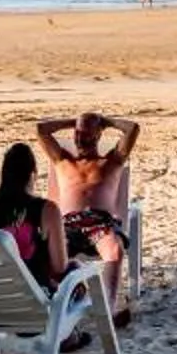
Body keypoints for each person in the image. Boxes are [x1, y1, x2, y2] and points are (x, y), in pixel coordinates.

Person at [37, 109, 139, 324]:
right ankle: (53, 307)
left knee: (114, 250)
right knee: (43, 251)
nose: (79, 139)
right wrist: (75, 122)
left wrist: (105, 121)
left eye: (86, 134)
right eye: (77, 134)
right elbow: (41, 129)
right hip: (67, 224)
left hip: (99, 222)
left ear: (98, 135)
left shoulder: (111, 161)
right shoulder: (62, 161)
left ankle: (108, 311)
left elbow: (133, 129)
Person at [0, 142, 64, 291]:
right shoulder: (48, 210)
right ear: (33, 174)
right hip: (32, 301)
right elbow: (59, 267)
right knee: (75, 270)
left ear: (3, 174)